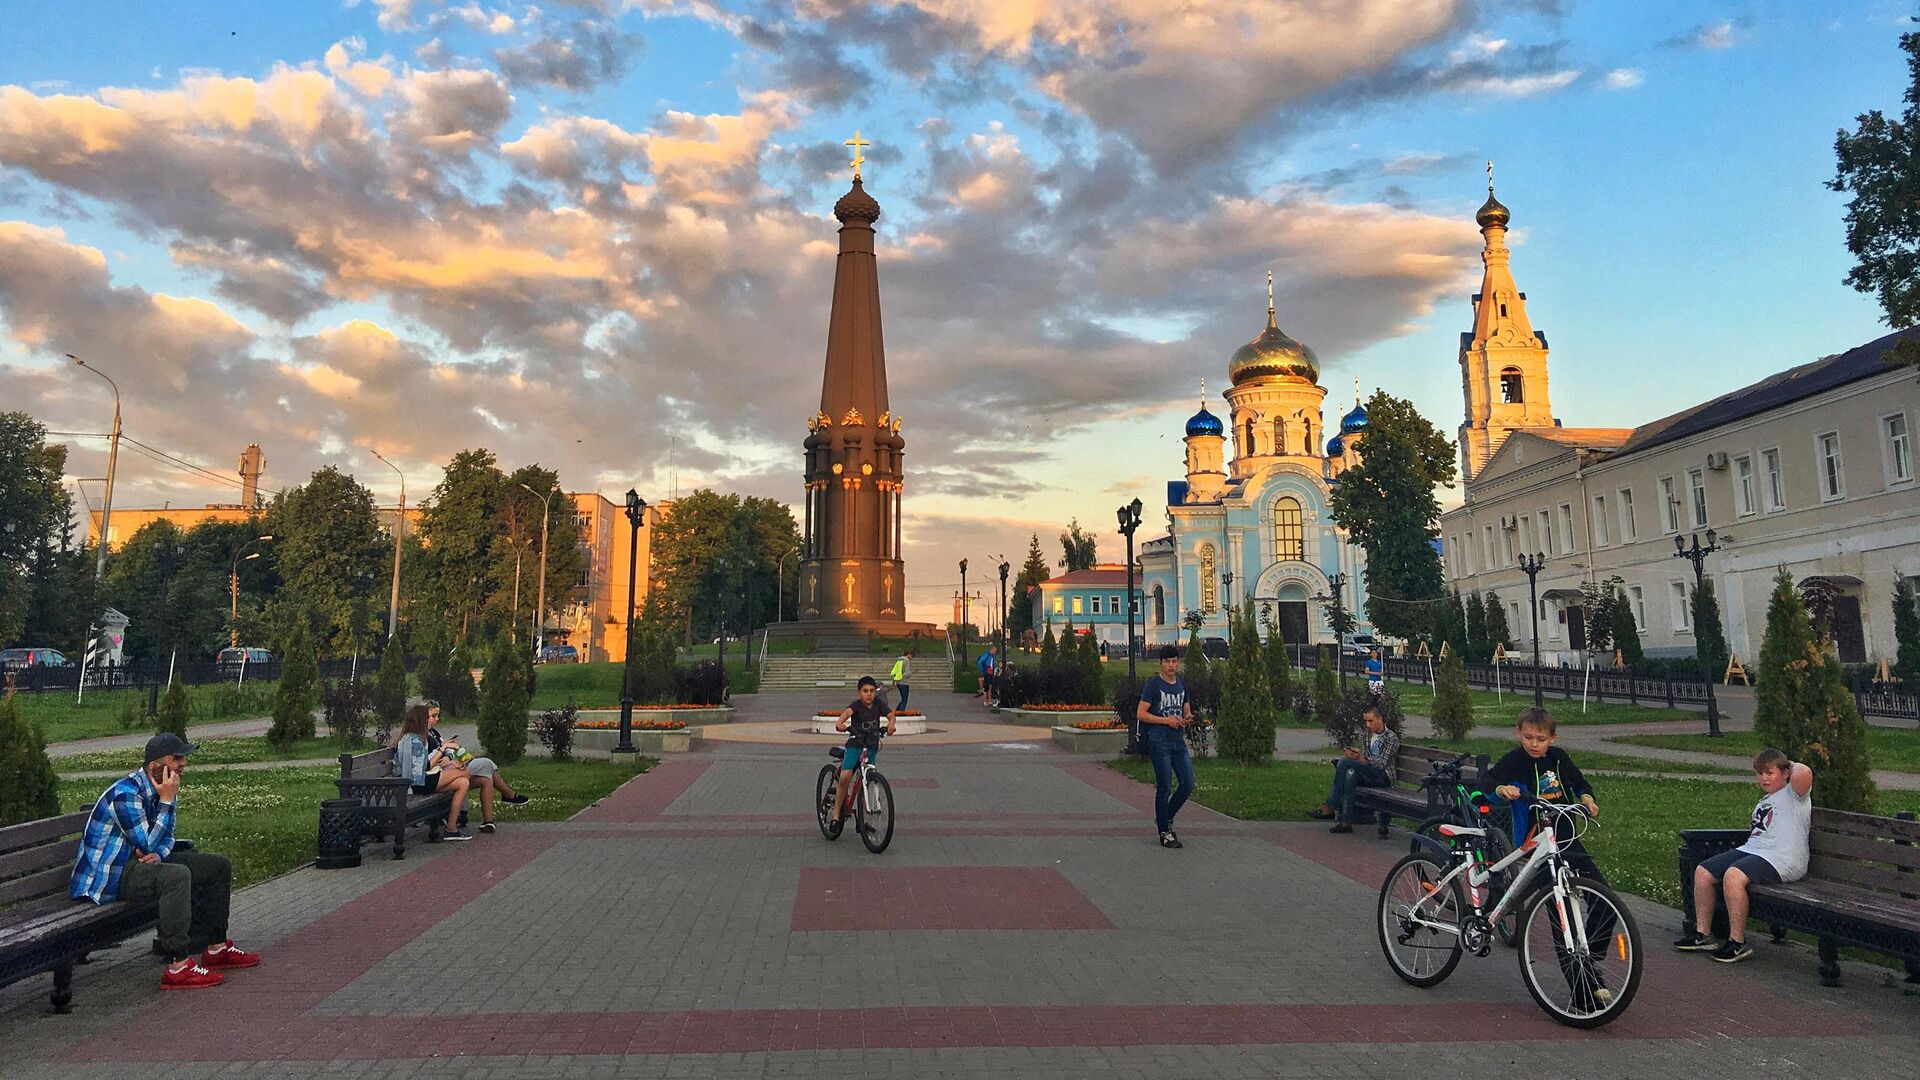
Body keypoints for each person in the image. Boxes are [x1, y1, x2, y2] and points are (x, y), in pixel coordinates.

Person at [69, 734, 262, 990]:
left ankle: (216, 947)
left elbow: (166, 837)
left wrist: (159, 854)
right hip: (110, 876)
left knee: (218, 866)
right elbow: (148, 841)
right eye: (177, 758)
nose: (184, 764)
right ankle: (177, 965)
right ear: (155, 766)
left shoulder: (165, 787)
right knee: (177, 876)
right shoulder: (126, 795)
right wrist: (166, 803)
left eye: (184, 757)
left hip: (140, 864)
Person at [1486, 706, 1615, 1009]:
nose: (1534, 744)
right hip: (1537, 842)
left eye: (1541, 738)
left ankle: (1589, 958)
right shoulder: (1515, 761)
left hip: (1567, 837)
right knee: (1563, 915)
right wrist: (1502, 789)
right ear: (1519, 733)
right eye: (1528, 737)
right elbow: (1487, 784)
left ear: (1552, 738)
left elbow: (1580, 784)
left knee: (1604, 898)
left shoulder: (1559, 759)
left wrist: (1587, 799)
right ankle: (1582, 995)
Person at [1675, 748, 1813, 964]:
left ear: (1785, 774)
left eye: (1770, 772)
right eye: (1760, 773)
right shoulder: (1766, 800)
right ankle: (1703, 934)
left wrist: (1788, 765)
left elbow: (1804, 773)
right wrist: (1778, 768)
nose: (1764, 778)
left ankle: (1737, 942)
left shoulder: (1796, 796)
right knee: (1703, 872)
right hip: (1755, 850)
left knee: (1734, 876)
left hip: (1784, 858)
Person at [424, 701, 527, 833]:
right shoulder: (421, 736)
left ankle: (488, 822)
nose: (437, 719)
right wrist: (443, 757)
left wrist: (447, 757)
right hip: (440, 773)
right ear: (423, 716)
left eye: (437, 716)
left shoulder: (434, 733)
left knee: (486, 779)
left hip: (448, 767)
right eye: (433, 716)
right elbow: (428, 761)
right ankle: (508, 794)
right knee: (486, 764)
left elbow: (448, 749)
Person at [1135, 644, 1195, 849]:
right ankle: (1164, 832)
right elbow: (1141, 713)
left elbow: (1186, 707)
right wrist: (1165, 721)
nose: (1171, 665)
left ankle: (1165, 817)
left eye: (1174, 661)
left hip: (1178, 741)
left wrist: (1186, 718)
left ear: (1178, 662)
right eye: (1167, 661)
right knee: (1165, 786)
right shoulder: (1153, 685)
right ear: (1161, 663)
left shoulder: (1181, 684)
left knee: (1188, 783)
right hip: (1159, 741)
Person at [1310, 703, 1399, 833]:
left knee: (1344, 763)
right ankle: (1345, 822)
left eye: (1371, 721)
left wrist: (1364, 759)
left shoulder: (1391, 738)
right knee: (1350, 774)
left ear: (1380, 719)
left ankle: (1329, 806)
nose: (1368, 725)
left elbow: (1381, 765)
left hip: (1382, 776)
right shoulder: (1367, 735)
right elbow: (1365, 759)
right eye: (1366, 721)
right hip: (1368, 773)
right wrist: (1356, 756)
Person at [394, 703, 473, 841]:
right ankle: (452, 817)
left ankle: (451, 829)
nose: (431, 721)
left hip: (422, 780)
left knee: (463, 782)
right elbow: (426, 768)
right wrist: (444, 748)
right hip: (417, 783)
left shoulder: (417, 738)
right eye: (427, 717)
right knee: (464, 773)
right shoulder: (412, 740)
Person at [828, 676, 896, 831]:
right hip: (856, 744)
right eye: (865, 691)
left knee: (867, 779)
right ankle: (836, 814)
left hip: (871, 744)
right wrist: (840, 723)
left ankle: (862, 820)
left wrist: (891, 725)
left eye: (872, 691)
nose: (869, 694)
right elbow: (847, 713)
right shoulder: (857, 705)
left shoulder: (878, 704)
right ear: (859, 692)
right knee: (845, 776)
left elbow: (891, 715)